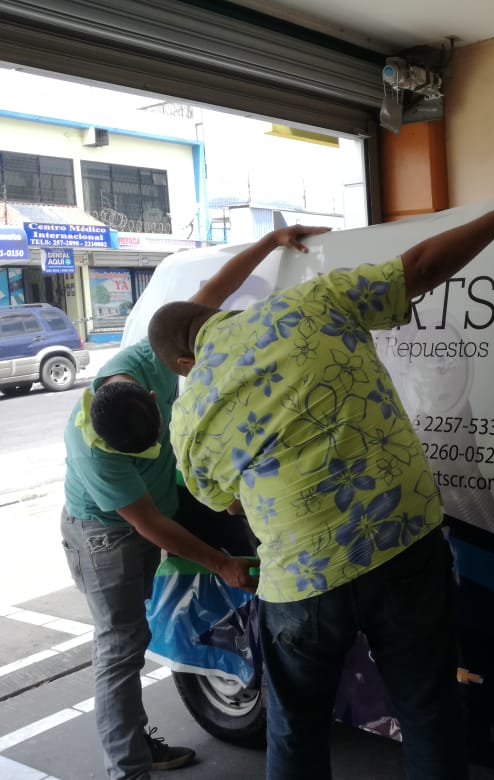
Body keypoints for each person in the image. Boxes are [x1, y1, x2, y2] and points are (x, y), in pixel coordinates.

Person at [146, 199, 494, 780]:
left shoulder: (189, 417)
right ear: (210, 314)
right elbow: (420, 267)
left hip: (303, 583)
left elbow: (232, 501)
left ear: (184, 361)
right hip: (403, 546)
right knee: (429, 708)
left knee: (295, 728)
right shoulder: (311, 302)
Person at [61, 224, 329, 780]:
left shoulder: (148, 358)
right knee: (121, 644)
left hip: (161, 496)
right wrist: (223, 564)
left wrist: (271, 242)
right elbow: (150, 525)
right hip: (106, 533)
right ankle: (128, 768)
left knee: (245, 529)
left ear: (149, 391)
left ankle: (135, 743)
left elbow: (208, 298)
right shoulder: (95, 451)